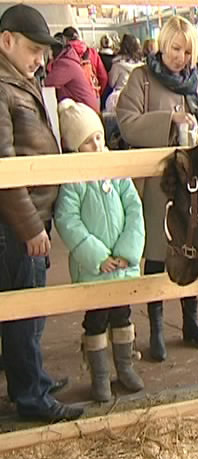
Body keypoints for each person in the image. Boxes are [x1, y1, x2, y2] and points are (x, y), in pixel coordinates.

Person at [116, 16, 198, 362]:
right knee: (158, 253)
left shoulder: (196, 85)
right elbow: (127, 124)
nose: (181, 57)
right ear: (162, 44)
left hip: (192, 186)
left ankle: (191, 322)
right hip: (157, 186)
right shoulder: (140, 79)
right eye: (176, 48)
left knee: (192, 249)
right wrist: (169, 121)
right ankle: (156, 329)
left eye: (187, 51)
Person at [0, 4, 84, 422]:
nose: (40, 59)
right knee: (22, 311)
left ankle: (30, 379)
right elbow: (4, 165)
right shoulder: (2, 87)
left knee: (30, 310)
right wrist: (31, 227)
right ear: (7, 40)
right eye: (34, 50)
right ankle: (31, 397)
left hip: (31, 213)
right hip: (17, 221)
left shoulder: (18, 80)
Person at [54, 100, 145, 402]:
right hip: (95, 268)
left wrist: (126, 251)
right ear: (75, 147)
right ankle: (101, 376)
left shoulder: (114, 170)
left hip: (121, 265)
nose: (96, 144)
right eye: (87, 141)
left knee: (123, 315)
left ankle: (125, 366)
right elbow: (68, 221)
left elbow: (134, 208)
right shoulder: (73, 181)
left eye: (97, 137)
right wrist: (98, 257)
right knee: (95, 320)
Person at [45, 32, 101, 113]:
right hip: (88, 110)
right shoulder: (70, 61)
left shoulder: (65, 64)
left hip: (85, 114)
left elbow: (48, 83)